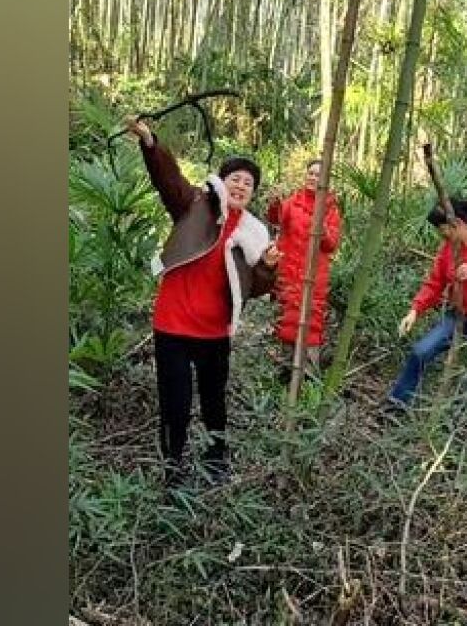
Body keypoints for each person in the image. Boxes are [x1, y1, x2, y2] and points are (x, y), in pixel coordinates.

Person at [124, 117, 282, 487]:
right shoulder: (193, 203)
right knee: (174, 403)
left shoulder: (253, 233)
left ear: (253, 193)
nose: (241, 185)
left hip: (213, 332)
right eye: (235, 179)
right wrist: (150, 142)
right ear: (221, 183)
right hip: (173, 327)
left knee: (214, 401)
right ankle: (173, 468)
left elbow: (254, 288)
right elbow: (168, 179)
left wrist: (269, 269)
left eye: (248, 183)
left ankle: (216, 458)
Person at [384, 198, 467, 448]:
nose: (442, 235)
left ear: (457, 224)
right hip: (459, 318)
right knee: (420, 352)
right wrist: (414, 311)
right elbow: (434, 283)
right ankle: (395, 405)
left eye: (444, 229)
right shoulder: (448, 250)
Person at [265, 159, 343, 374]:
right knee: (285, 321)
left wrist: (322, 226)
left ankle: (307, 375)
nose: (313, 178)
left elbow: (331, 244)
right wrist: (273, 204)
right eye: (310, 173)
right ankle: (282, 373)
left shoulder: (330, 210)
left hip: (314, 278)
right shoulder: (292, 202)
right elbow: (276, 219)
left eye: (318, 175)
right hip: (288, 273)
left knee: (311, 324)